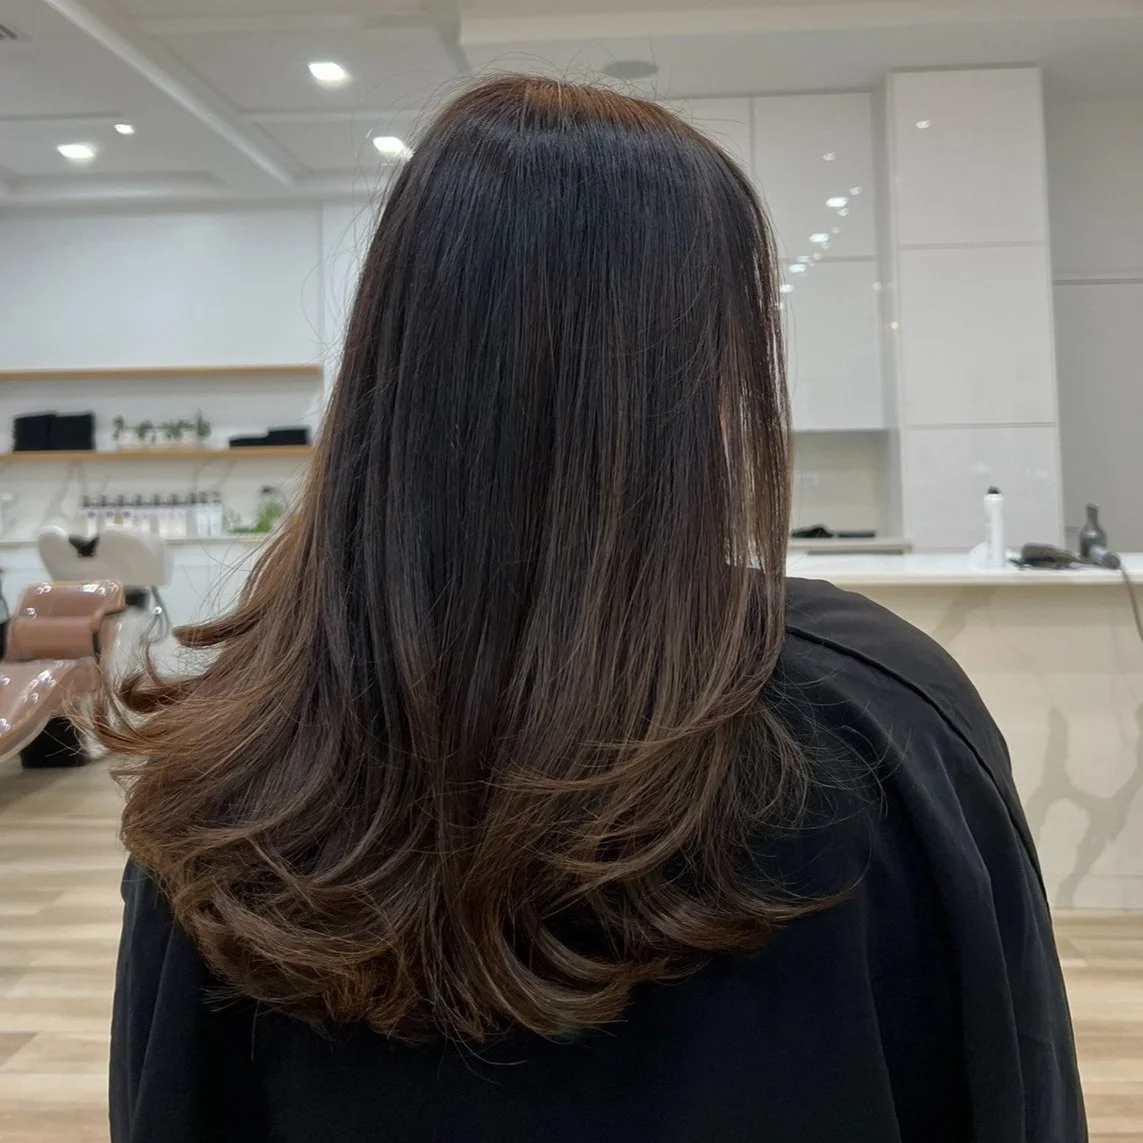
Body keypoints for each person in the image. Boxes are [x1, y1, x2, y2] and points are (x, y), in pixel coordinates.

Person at [101, 75, 1085, 1142]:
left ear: (393, 354)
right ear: (716, 372)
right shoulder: (881, 723)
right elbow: (1010, 1091)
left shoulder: (233, 776)